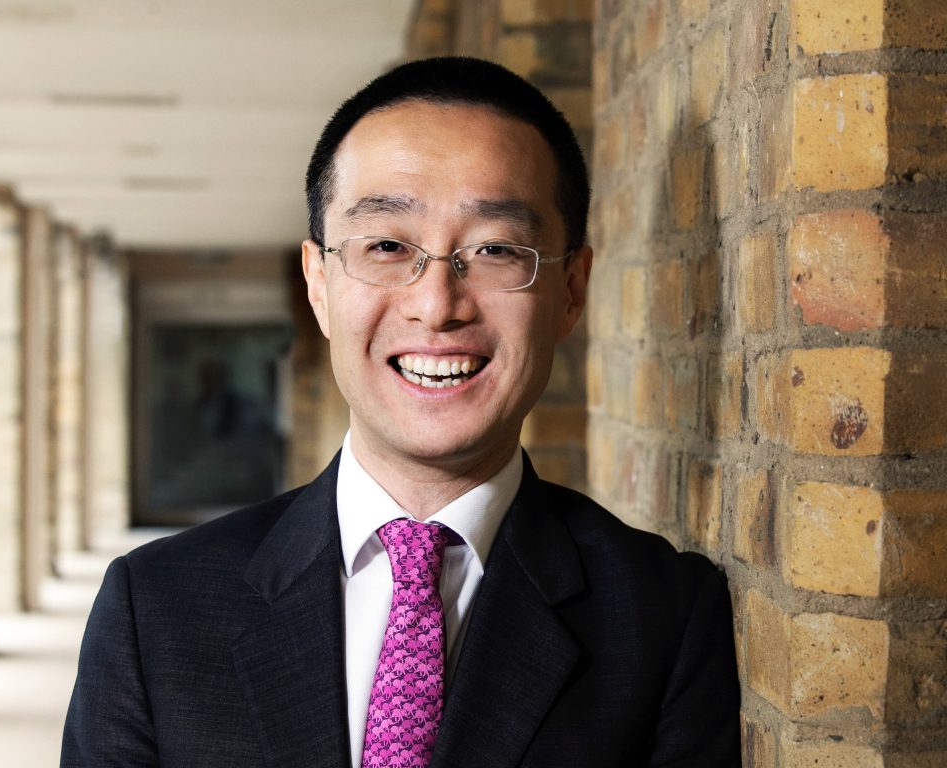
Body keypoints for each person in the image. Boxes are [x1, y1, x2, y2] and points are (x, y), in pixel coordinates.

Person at [61, 56, 740, 767]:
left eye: (496, 249)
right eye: (387, 246)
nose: (437, 305)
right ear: (319, 285)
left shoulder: (663, 616)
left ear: (571, 290)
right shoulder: (156, 606)